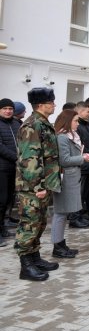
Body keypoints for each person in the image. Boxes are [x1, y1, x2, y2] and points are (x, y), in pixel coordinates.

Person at [14, 88, 62, 281]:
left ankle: (34, 257)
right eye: (52, 103)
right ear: (42, 105)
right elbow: (30, 160)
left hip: (45, 183)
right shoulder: (32, 126)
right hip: (32, 187)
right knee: (29, 224)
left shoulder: (42, 124)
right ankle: (25, 266)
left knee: (40, 223)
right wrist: (38, 187)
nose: (54, 105)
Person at [52, 110, 89, 258]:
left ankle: (61, 243)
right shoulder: (62, 138)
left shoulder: (71, 136)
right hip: (66, 178)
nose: (77, 123)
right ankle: (57, 246)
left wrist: (82, 156)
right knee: (60, 213)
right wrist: (83, 158)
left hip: (72, 177)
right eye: (75, 120)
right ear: (67, 121)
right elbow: (64, 160)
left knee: (64, 213)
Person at [0, 98, 21, 247]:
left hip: (15, 168)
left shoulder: (16, 124)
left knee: (8, 201)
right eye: (5, 108)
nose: (8, 111)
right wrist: (17, 158)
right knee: (1, 200)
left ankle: (2, 228)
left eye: (10, 108)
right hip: (2, 168)